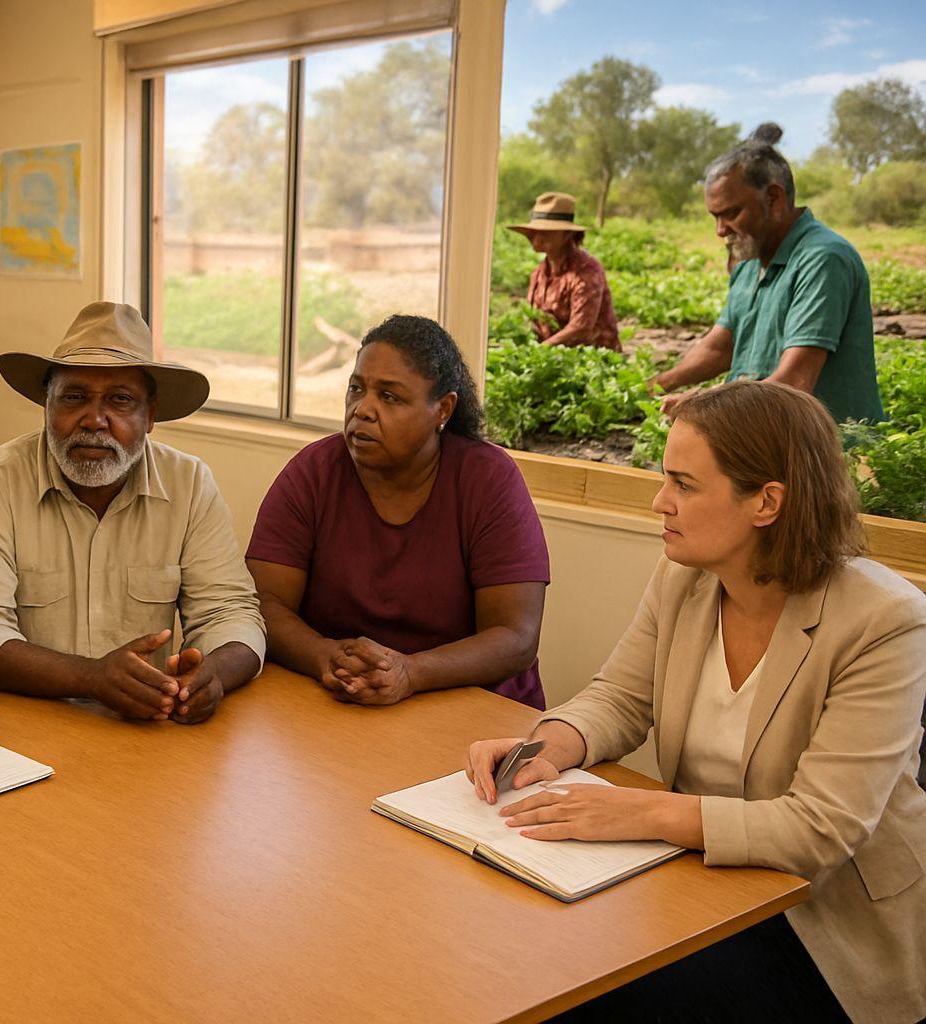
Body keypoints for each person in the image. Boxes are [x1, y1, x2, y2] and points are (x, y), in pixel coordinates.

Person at [465, 380, 926, 1023]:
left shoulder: (887, 620)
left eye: (683, 484)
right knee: (517, 952)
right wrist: (544, 747)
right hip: (704, 886)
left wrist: (641, 812)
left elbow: (823, 827)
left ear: (767, 502)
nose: (660, 503)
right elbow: (620, 697)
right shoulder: (683, 576)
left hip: (826, 926)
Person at [0, 301, 264, 724]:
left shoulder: (189, 483)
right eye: (73, 397)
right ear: (46, 406)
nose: (94, 420)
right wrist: (91, 678)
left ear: (150, 417)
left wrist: (210, 676)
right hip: (24, 725)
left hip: (147, 732)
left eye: (120, 400)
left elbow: (231, 612)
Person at [248, 315, 549, 710]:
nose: (363, 410)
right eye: (357, 389)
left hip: (475, 711)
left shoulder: (488, 479)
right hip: (340, 701)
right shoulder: (313, 472)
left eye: (389, 396)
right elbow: (263, 602)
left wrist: (410, 672)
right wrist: (324, 656)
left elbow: (515, 637)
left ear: (442, 410)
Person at [654, 124, 885, 423]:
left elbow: (795, 381)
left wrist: (703, 403)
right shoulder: (750, 260)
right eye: (715, 217)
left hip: (821, 446)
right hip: (762, 429)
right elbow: (721, 345)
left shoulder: (823, 258)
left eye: (731, 213)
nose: (720, 230)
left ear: (774, 199)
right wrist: (657, 384)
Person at [507, 191, 620, 350]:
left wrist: (539, 351)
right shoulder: (539, 274)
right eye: (534, 232)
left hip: (591, 360)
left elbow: (581, 327)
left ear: (567, 234)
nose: (536, 237)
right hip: (553, 358)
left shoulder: (587, 271)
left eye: (546, 232)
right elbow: (535, 323)